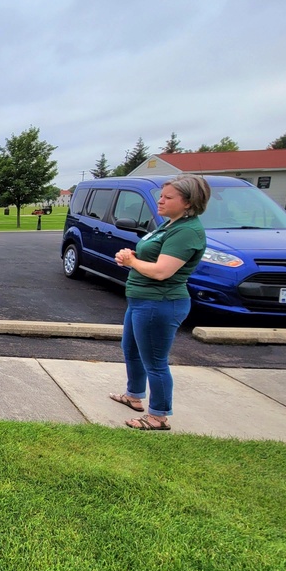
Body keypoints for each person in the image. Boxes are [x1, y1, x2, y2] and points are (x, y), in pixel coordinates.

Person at [110, 174, 210, 431]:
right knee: (131, 349)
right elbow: (151, 258)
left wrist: (132, 262)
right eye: (161, 196)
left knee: (155, 361)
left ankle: (158, 416)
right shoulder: (169, 225)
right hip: (141, 300)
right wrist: (131, 255)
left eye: (168, 197)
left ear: (188, 202)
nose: (161, 201)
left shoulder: (187, 231)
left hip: (160, 303)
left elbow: (162, 271)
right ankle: (133, 396)